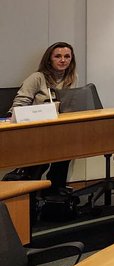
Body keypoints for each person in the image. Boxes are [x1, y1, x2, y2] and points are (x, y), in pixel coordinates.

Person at [8, 42, 78, 193]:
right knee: (46, 155)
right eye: (58, 56)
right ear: (49, 59)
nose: (63, 60)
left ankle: (55, 190)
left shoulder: (71, 78)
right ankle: (30, 192)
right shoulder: (37, 77)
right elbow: (18, 105)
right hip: (35, 130)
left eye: (67, 57)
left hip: (59, 130)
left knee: (68, 148)